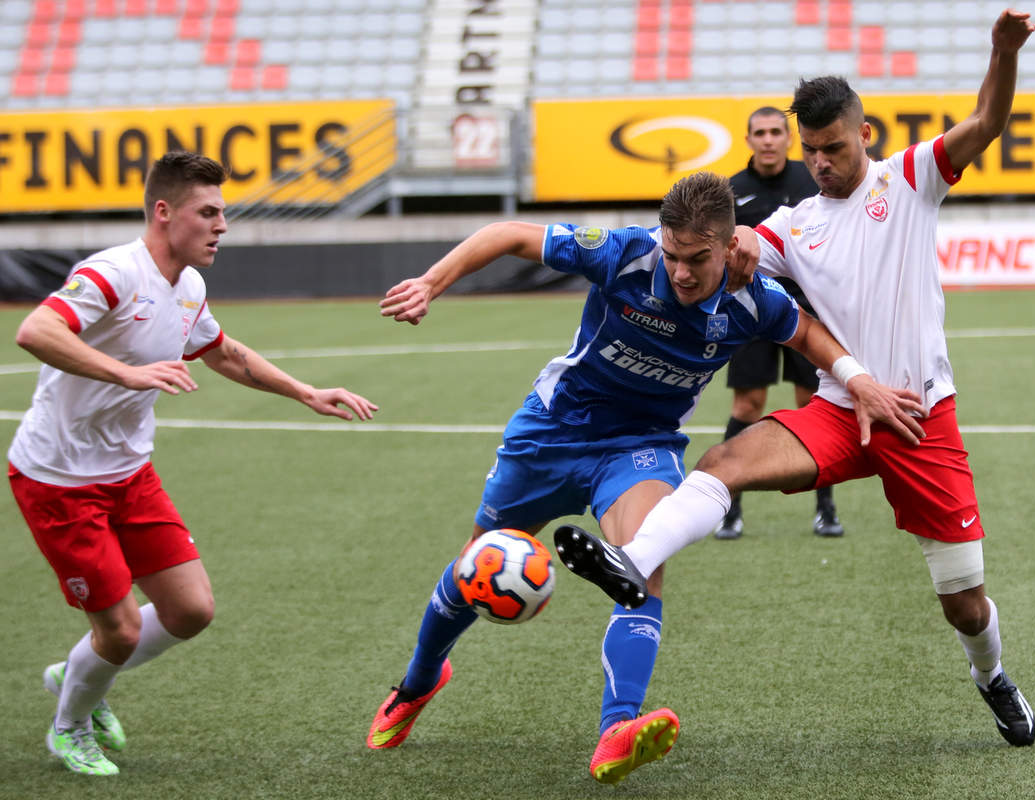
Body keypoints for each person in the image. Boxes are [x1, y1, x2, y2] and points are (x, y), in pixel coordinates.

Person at [555, 9, 1035, 749]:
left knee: (965, 606)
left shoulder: (911, 179)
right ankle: (632, 562)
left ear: (864, 136)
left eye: (832, 147)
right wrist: (738, 245)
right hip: (841, 409)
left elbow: (986, 121)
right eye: (811, 150)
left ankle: (992, 678)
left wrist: (1003, 52)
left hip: (919, 417)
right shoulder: (800, 221)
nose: (820, 161)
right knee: (725, 459)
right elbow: (742, 242)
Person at [366, 171, 924, 784]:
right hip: (552, 431)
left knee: (642, 565)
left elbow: (807, 331)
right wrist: (429, 283)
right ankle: (419, 681)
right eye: (673, 254)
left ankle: (617, 729)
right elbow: (506, 234)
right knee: (474, 566)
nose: (682, 271)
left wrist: (860, 380)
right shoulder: (624, 253)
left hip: (641, 447)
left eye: (697, 259)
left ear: (727, 247)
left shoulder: (751, 298)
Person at [8, 151, 378, 777]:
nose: (221, 226)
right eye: (208, 212)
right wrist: (127, 371)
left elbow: (225, 353)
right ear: (163, 212)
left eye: (222, 213)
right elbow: (36, 331)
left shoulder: (189, 286)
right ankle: (69, 726)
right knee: (120, 631)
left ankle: (80, 670)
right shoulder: (111, 273)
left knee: (190, 610)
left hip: (129, 472)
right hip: (60, 481)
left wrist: (307, 392)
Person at [719, 106, 843, 540]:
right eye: (760, 133)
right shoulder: (731, 191)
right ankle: (729, 509)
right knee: (747, 408)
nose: (768, 139)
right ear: (748, 139)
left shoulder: (812, 182)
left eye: (776, 132)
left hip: (808, 315)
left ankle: (825, 510)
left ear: (788, 139)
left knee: (815, 407)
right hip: (750, 317)